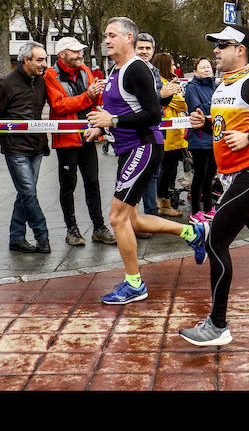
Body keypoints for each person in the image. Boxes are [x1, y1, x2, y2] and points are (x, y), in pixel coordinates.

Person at [180, 24, 249, 346]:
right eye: (215, 45)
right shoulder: (222, 87)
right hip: (234, 177)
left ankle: (217, 326)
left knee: (216, 242)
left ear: (241, 50)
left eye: (222, 45)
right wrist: (204, 126)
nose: (216, 50)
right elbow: (222, 132)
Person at [84, 17, 208, 305]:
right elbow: (120, 108)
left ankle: (134, 284)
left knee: (116, 218)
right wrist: (101, 127)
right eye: (106, 35)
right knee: (133, 221)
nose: (107, 40)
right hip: (128, 149)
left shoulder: (136, 69)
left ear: (128, 37)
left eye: (112, 35)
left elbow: (153, 114)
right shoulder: (114, 69)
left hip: (144, 147)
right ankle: (192, 232)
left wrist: (111, 120)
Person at [43, 36, 116, 246]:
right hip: (66, 139)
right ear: (62, 54)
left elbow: (97, 99)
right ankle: (72, 229)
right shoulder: (51, 75)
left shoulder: (85, 70)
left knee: (93, 182)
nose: (79, 54)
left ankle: (98, 227)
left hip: (88, 135)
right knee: (68, 184)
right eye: (74, 51)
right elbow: (59, 105)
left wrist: (96, 99)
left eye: (80, 51)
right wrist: (88, 96)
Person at [0, 41, 52, 254]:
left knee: (24, 194)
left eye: (45, 59)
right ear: (26, 60)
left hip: (37, 147)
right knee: (29, 193)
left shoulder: (42, 81)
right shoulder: (6, 84)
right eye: (39, 60)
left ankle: (16, 237)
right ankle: (43, 235)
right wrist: (4, 140)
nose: (45, 64)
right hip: (16, 149)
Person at [133, 33, 167, 223]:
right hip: (135, 130)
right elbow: (142, 99)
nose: (144, 52)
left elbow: (159, 103)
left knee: (154, 171)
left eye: (148, 48)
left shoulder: (154, 70)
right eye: (141, 48)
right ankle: (132, 217)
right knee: (137, 174)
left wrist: (167, 95)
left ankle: (152, 215)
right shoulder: (130, 69)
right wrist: (162, 94)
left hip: (154, 128)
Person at [152, 51, 189, 218]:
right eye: (172, 64)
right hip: (167, 135)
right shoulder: (161, 83)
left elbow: (181, 104)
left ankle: (170, 194)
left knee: (172, 168)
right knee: (166, 169)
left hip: (175, 135)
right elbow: (181, 104)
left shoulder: (169, 82)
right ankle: (163, 201)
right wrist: (174, 96)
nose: (174, 67)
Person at [183, 56, 218, 224]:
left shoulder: (216, 86)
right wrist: (211, 106)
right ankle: (195, 211)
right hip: (199, 138)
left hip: (214, 137)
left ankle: (208, 208)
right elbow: (197, 109)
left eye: (208, 66)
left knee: (210, 174)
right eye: (202, 67)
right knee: (199, 175)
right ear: (195, 71)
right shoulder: (191, 87)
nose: (206, 69)